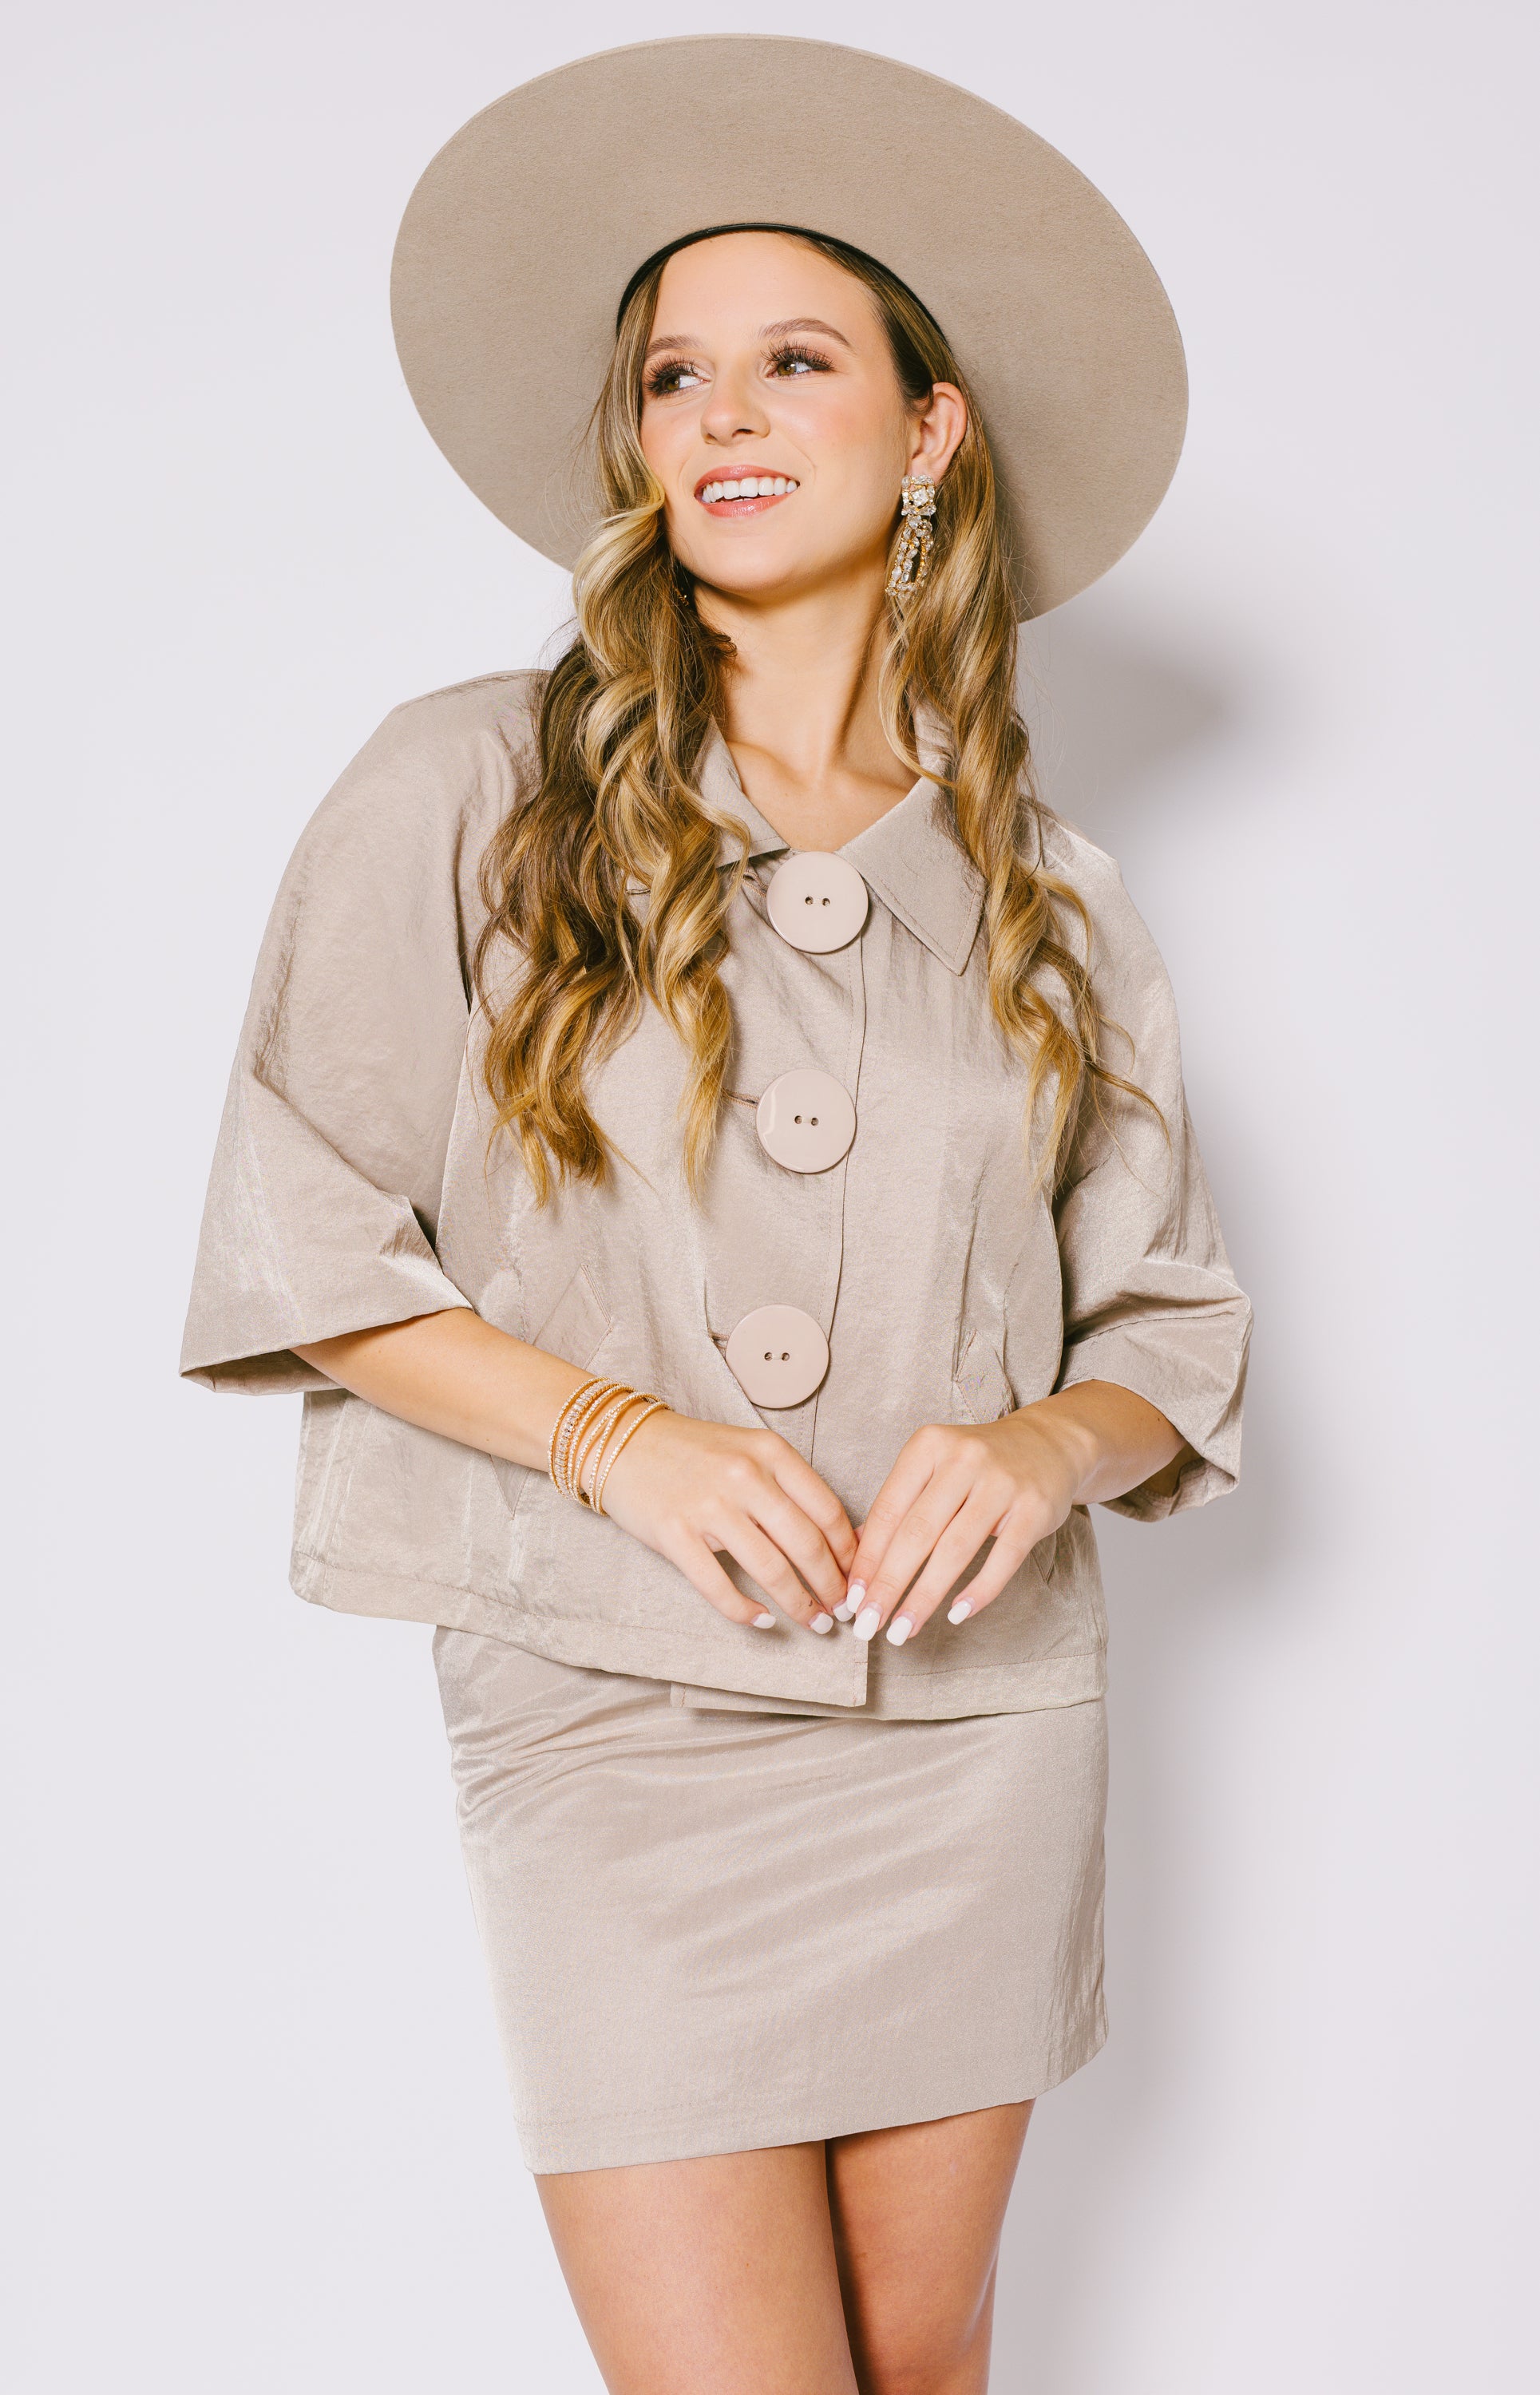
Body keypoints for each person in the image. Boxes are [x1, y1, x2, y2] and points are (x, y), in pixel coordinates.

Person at [182, 39, 1250, 2395]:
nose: (724, 416)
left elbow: (1166, 1333)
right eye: (676, 375)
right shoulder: (466, 782)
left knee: (920, 2367)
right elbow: (308, 1235)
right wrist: (615, 1439)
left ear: (929, 431)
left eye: (795, 361)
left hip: (970, 1720)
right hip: (610, 1706)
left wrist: (1037, 1448)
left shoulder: (1049, 891)